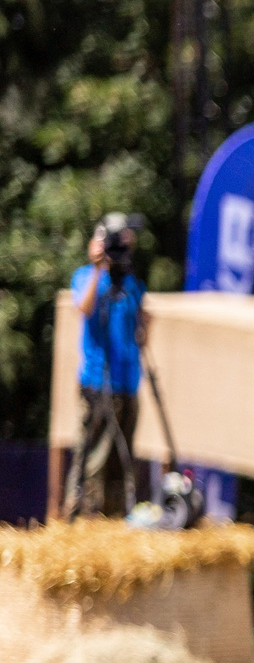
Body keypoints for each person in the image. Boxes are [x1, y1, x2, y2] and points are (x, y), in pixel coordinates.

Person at [72, 213, 147, 518]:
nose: (126, 243)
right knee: (92, 459)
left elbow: (142, 333)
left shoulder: (133, 284)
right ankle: (83, 515)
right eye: (120, 237)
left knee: (122, 458)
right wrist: (98, 267)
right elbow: (84, 306)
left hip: (128, 382)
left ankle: (116, 517)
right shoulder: (87, 276)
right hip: (96, 381)